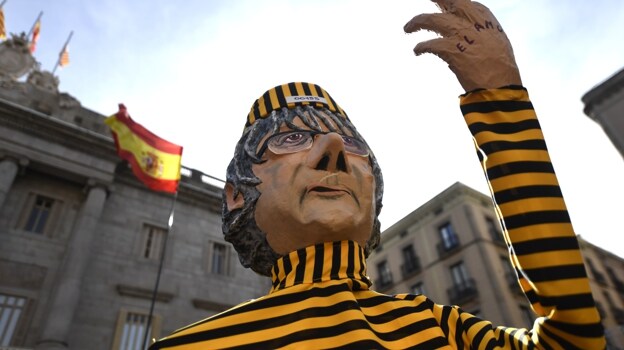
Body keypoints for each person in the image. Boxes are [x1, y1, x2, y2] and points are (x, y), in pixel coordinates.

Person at [150, 0, 606, 348]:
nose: (333, 152)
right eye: (290, 140)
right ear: (234, 197)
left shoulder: (443, 329)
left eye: (350, 143)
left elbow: (573, 342)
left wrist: (500, 100)